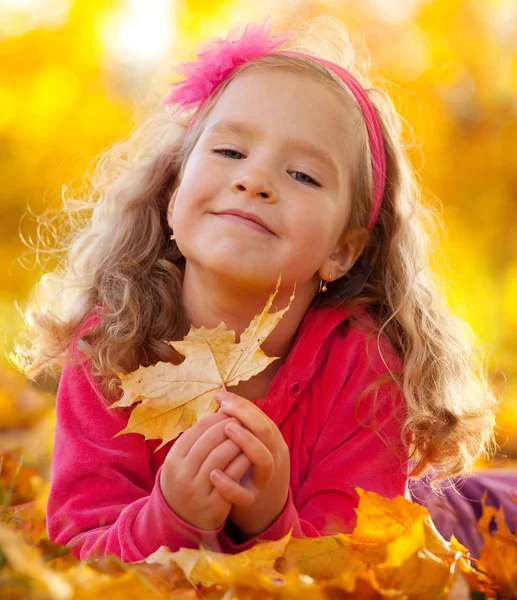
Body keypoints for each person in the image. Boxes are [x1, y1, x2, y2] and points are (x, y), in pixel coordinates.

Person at [16, 15, 499, 562]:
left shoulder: (363, 367)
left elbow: (364, 565)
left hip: (474, 522)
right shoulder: (110, 349)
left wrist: (272, 521)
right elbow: (79, 550)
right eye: (229, 152)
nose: (254, 181)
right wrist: (167, 518)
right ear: (174, 195)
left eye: (303, 176)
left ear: (342, 251)